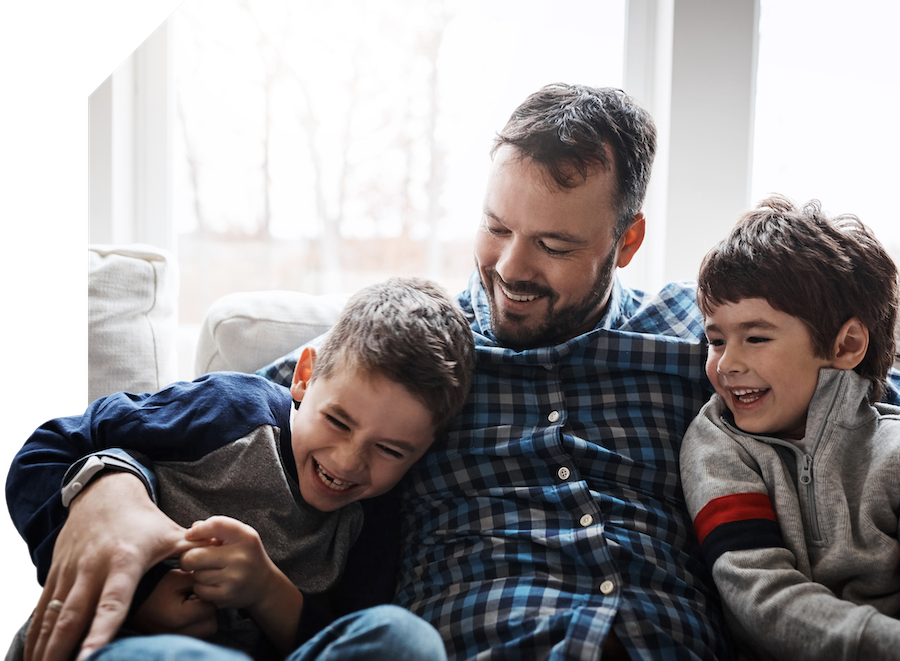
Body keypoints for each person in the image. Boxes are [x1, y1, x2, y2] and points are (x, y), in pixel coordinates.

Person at [13, 83, 900, 661]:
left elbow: (859, 400)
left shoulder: (699, 343)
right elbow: (280, 408)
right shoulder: (420, 355)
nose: (512, 265)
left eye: (554, 245)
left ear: (625, 240)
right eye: (496, 227)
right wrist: (107, 491)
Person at [6, 277, 473, 661]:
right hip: (110, 646)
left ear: (423, 449)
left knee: (405, 638)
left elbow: (345, 633)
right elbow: (46, 450)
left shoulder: (375, 516)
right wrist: (143, 589)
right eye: (337, 420)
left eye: (390, 450)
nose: (348, 461)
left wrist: (268, 591)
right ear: (305, 378)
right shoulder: (229, 410)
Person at [679, 196, 900, 660]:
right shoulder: (717, 443)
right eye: (716, 340)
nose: (728, 363)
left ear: (847, 345)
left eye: (756, 338)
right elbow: (757, 593)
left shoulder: (892, 450)